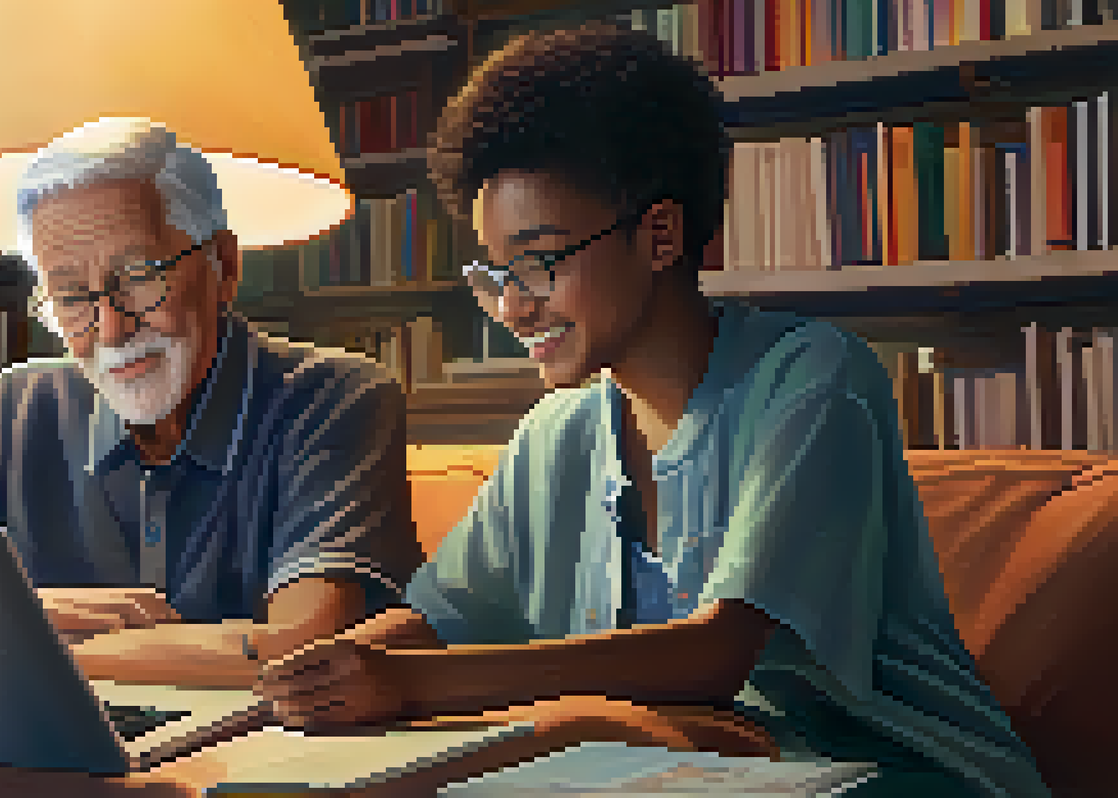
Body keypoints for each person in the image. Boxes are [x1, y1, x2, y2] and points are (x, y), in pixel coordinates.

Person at [256, 22, 1053, 798]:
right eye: (493, 274)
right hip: (680, 772)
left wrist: (403, 683)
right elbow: (439, 616)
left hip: (887, 772)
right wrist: (321, 672)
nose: (512, 309)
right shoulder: (555, 434)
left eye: (537, 262)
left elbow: (716, 654)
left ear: (660, 233)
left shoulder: (814, 380)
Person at [0, 118, 422, 686]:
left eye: (136, 276)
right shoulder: (17, 406)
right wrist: (45, 614)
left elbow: (302, 650)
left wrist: (18, 648)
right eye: (70, 297)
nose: (108, 328)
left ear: (224, 267)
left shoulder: (334, 398)